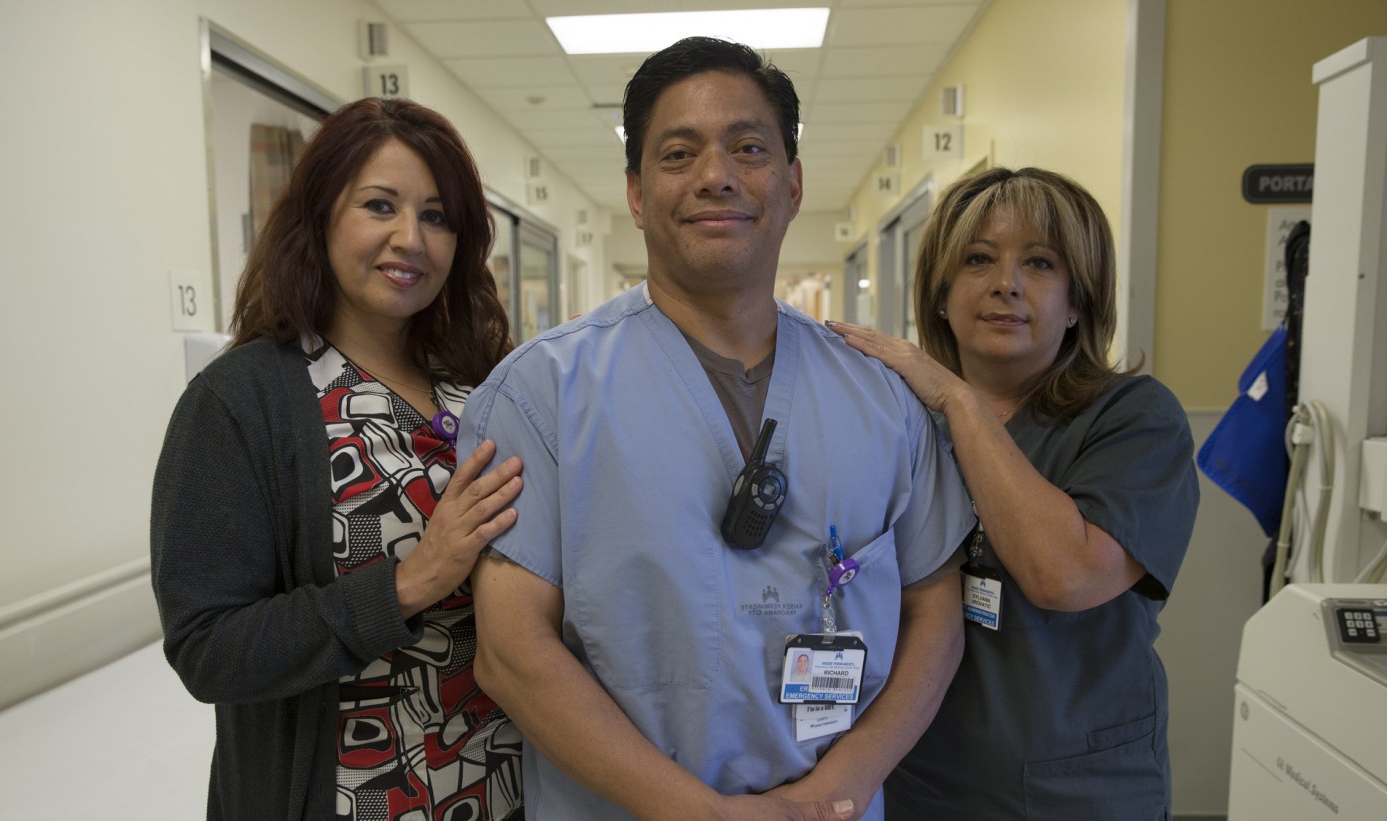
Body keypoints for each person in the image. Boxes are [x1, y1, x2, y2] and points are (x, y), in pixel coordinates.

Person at [463, 37, 974, 821]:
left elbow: (935, 610)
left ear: (793, 184)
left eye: (748, 148)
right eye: (679, 153)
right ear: (636, 194)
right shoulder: (540, 394)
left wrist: (831, 795)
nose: (716, 175)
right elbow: (511, 651)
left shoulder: (883, 396)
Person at [151, 97, 527, 821]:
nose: (410, 239)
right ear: (320, 216)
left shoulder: (483, 383)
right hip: (357, 796)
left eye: (437, 216)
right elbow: (207, 647)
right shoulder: (241, 401)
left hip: (501, 787)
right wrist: (408, 583)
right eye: (380, 206)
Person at [828, 166, 1200, 819]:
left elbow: (1064, 575)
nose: (1007, 282)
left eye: (1040, 263)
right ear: (940, 295)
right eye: (978, 259)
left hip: (1077, 790)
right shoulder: (896, 422)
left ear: (1078, 302)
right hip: (918, 779)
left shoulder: (1135, 418)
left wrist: (958, 400)